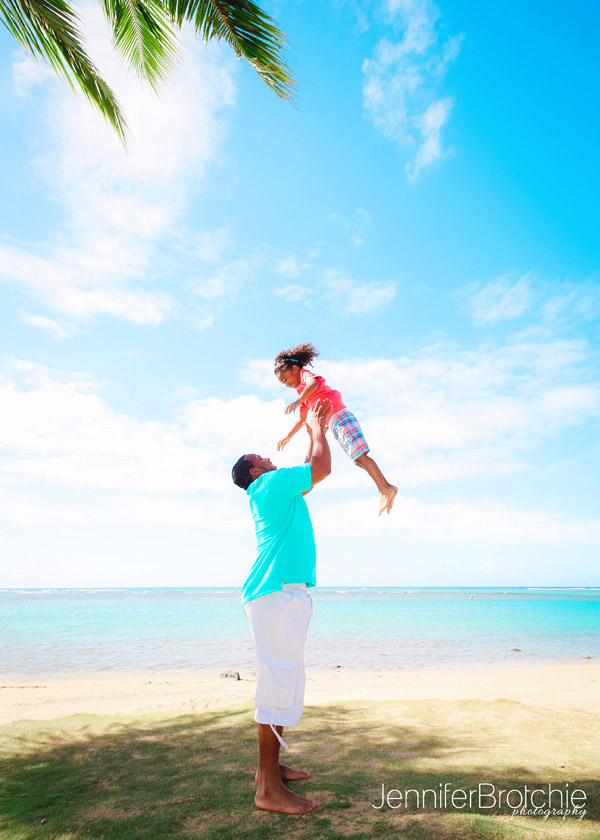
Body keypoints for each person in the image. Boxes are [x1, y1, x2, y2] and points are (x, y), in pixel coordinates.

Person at [231, 398, 332, 815]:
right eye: (262, 457)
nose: (269, 457)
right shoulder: (270, 485)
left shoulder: (274, 489)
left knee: (285, 680)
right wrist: (319, 429)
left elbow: (310, 474)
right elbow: (321, 469)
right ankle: (267, 790)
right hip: (276, 595)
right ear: (254, 471)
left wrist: (312, 431)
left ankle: (267, 770)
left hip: (280, 595)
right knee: (277, 681)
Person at [274, 342, 397, 515]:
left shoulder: (305, 377)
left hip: (339, 416)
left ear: (295, 369)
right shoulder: (301, 392)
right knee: (358, 459)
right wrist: (288, 436)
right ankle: (387, 487)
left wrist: (298, 401)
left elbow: (314, 385)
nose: (286, 384)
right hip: (333, 423)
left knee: (360, 456)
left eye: (285, 379)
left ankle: (385, 489)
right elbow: (302, 419)